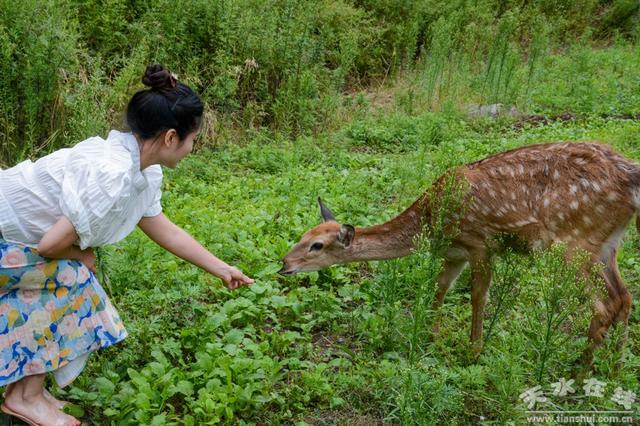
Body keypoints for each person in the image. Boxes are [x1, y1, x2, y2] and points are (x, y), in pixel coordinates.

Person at [0, 64, 254, 425]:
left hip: (12, 237)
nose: (192, 148)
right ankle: (24, 397)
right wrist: (81, 254)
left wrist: (221, 268)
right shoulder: (112, 172)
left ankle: (29, 392)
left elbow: (162, 227)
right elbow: (50, 244)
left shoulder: (140, 169)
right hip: (4, 236)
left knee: (72, 274)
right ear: (170, 137)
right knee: (73, 276)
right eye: (193, 139)